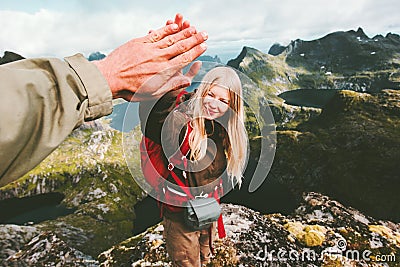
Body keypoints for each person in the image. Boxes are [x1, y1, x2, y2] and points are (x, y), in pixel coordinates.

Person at [0, 14, 207, 187]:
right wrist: (107, 76)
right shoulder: (189, 128)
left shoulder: (218, 132)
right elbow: (160, 129)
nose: (215, 103)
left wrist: (106, 77)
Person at [139, 66, 247, 266]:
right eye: (210, 94)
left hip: (206, 208)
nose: (214, 104)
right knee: (188, 262)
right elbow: (156, 121)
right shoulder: (181, 122)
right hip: (180, 213)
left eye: (223, 101)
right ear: (202, 92)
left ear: (233, 106)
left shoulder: (221, 128)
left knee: (206, 255)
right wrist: (170, 90)